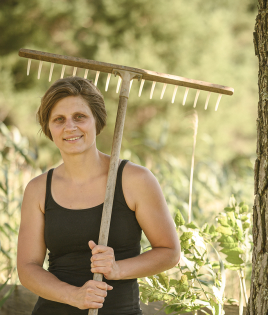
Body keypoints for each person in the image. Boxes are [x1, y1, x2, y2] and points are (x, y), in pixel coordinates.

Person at [17, 76, 180, 315]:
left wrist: (116, 269)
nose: (70, 127)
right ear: (49, 128)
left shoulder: (134, 180)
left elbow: (169, 252)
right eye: (59, 120)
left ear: (97, 120)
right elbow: (27, 268)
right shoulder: (38, 189)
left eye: (79, 117)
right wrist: (74, 296)